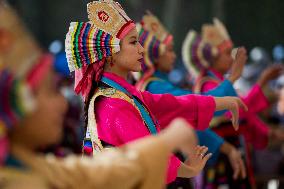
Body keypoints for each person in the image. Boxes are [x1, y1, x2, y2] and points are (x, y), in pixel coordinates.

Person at [0, 2, 206, 189]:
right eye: (50, 91)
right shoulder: (112, 103)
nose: (63, 102)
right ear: (15, 102)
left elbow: (102, 171)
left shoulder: (31, 167)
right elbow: (108, 172)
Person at [65, 0, 247, 184]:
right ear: (111, 52)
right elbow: (151, 152)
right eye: (134, 42)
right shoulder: (114, 105)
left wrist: (225, 102)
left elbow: (175, 104)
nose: (141, 48)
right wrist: (189, 169)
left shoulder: (124, 96)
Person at [135, 12, 246, 188]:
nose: (173, 56)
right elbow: (192, 108)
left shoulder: (152, 84)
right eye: (170, 50)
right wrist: (232, 79)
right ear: (156, 53)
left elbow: (191, 116)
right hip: (169, 166)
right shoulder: (154, 86)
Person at [182, 18, 283, 188]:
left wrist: (267, 132)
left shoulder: (218, 81)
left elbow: (244, 113)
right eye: (227, 53)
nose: (231, 58)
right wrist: (262, 82)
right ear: (213, 57)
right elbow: (238, 110)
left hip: (231, 152)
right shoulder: (208, 83)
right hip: (220, 155)